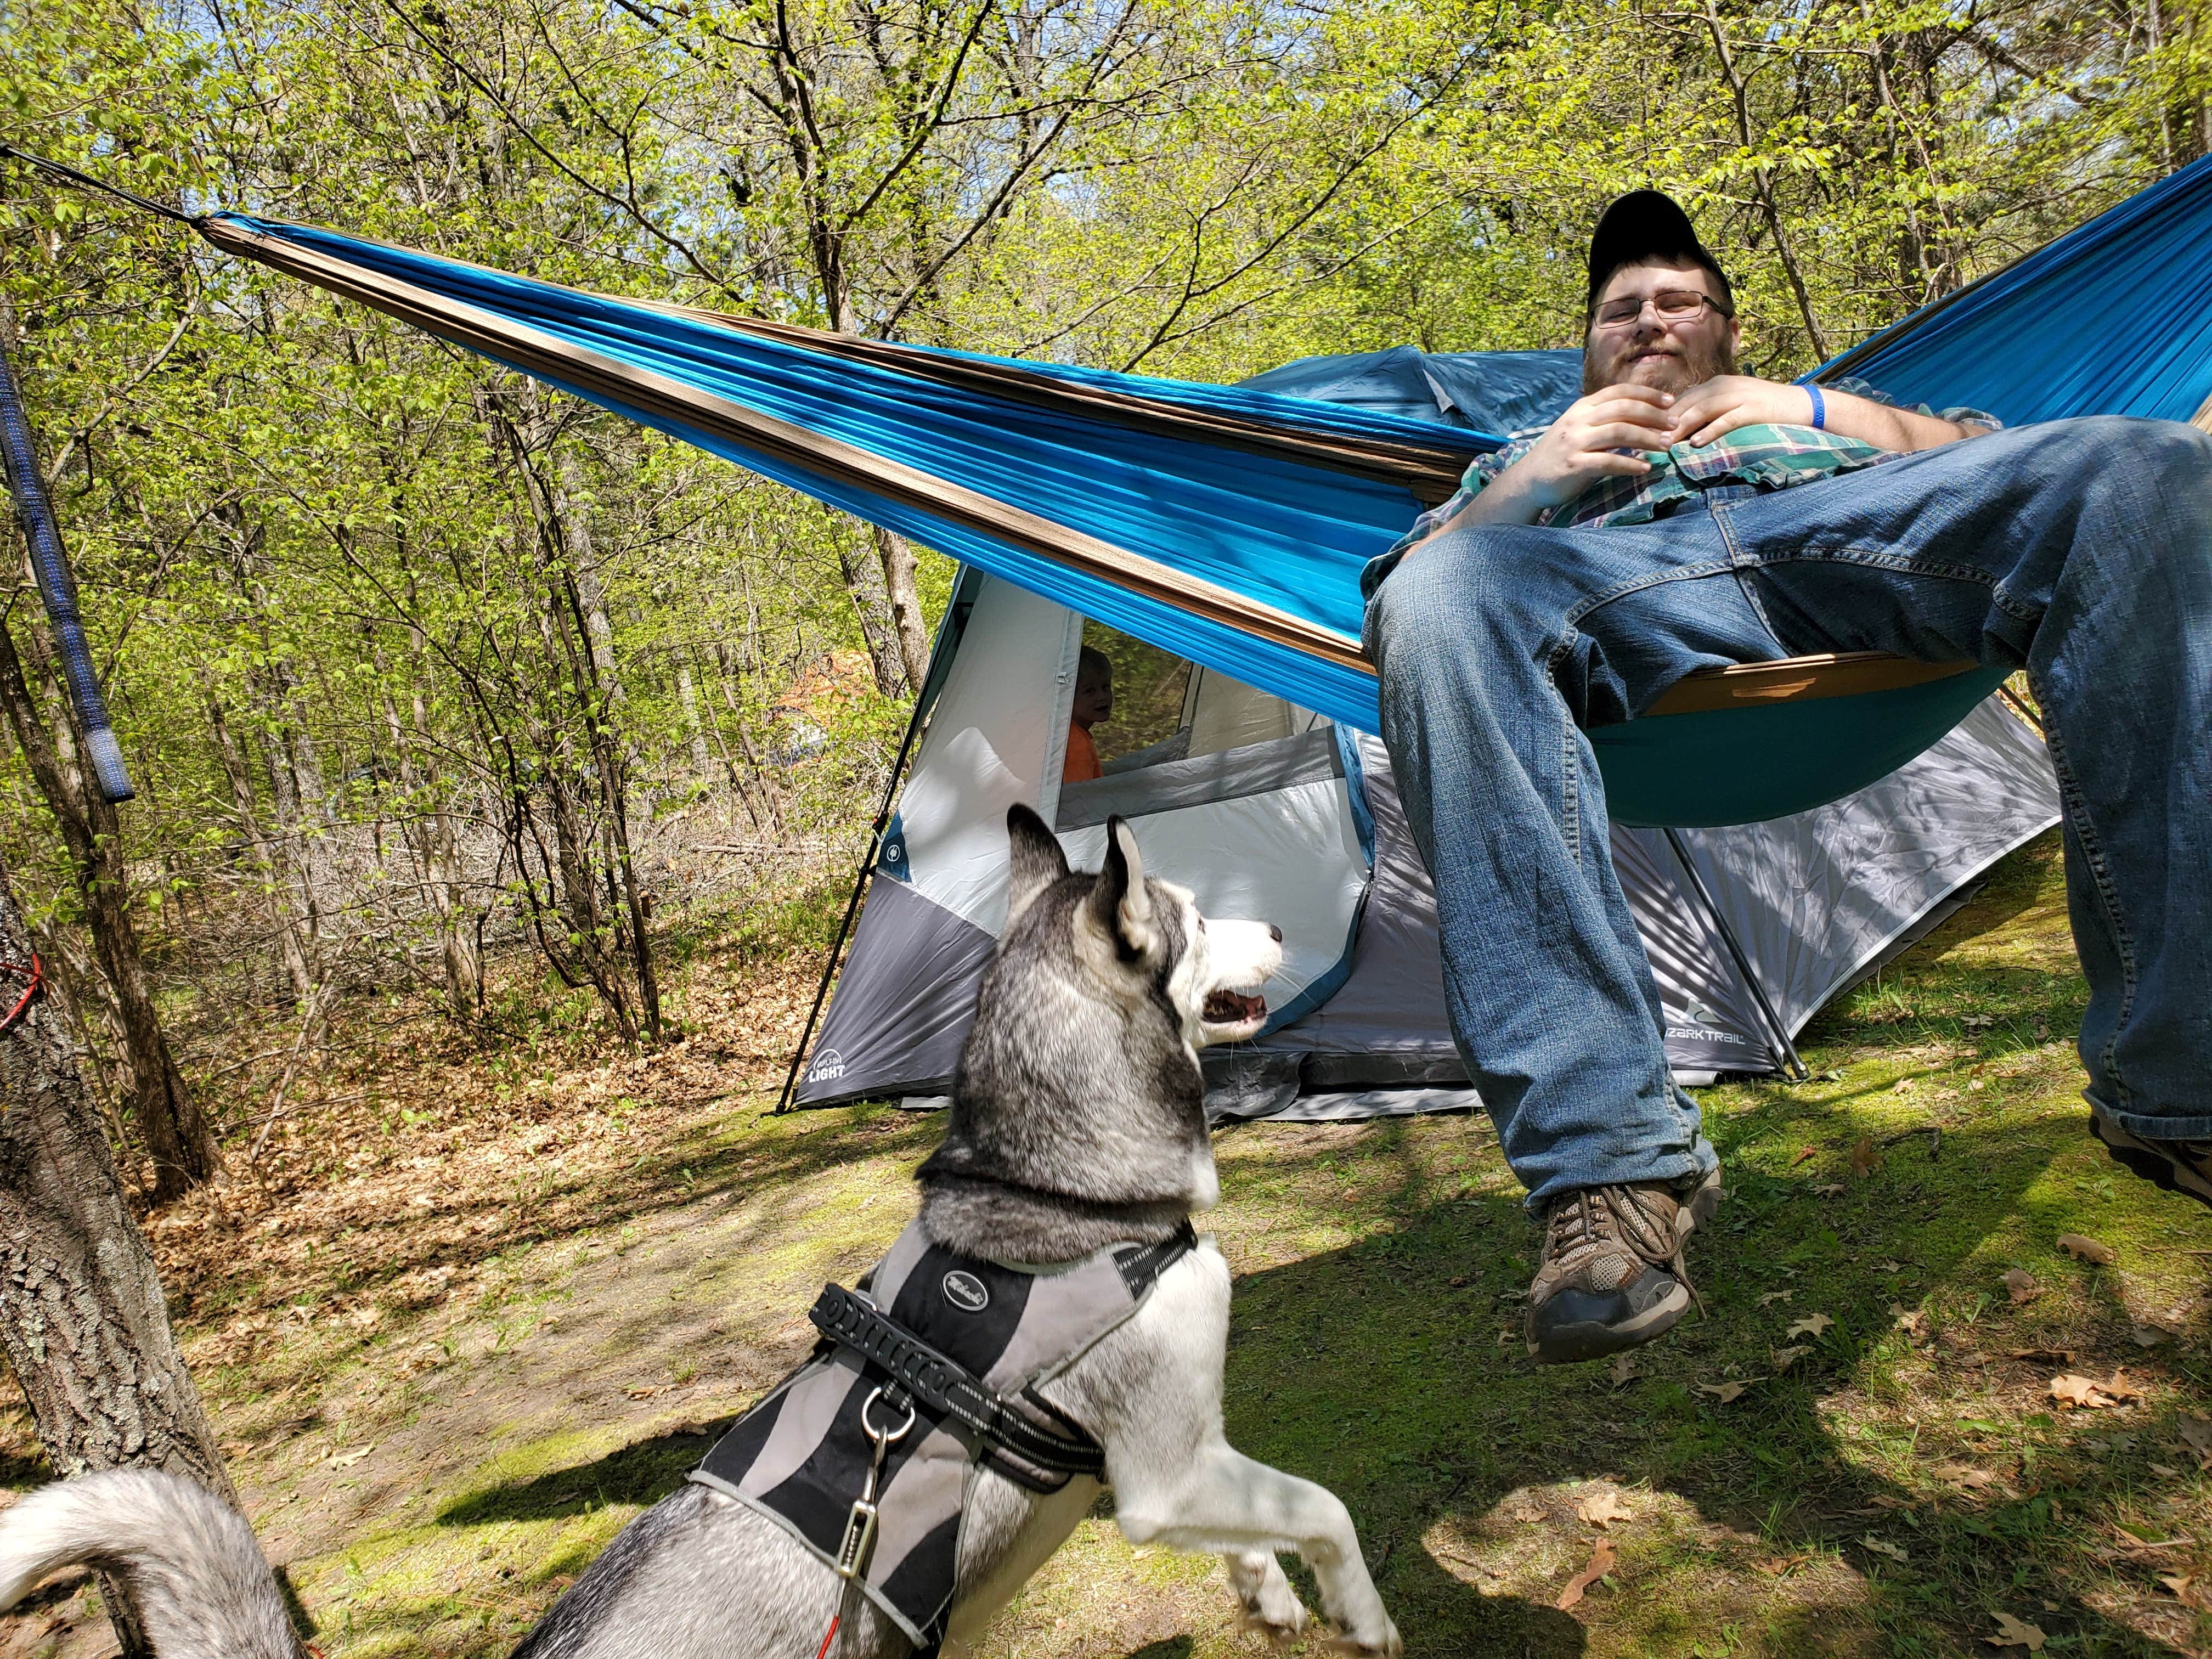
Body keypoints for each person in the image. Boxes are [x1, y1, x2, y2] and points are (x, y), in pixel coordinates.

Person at [1362, 190, 2212, 1365]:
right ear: (1588, 346)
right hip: (1622, 574)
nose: (1652, 319)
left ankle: (2186, 1087)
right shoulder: (1522, 465)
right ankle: (1609, 1172)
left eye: (1681, 300)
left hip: (1850, 529)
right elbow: (1400, 607)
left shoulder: (1834, 414)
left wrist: (1810, 408)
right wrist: (1535, 480)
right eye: (1622, 309)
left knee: (2144, 465)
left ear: (1730, 328)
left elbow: (1999, 461)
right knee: (1436, 594)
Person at [1063, 646, 1114, 783]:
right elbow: (1081, 799)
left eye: (1105, 687)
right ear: (1068, 697)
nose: (1102, 697)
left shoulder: (1071, 735)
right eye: (1090, 691)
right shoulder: (1076, 745)